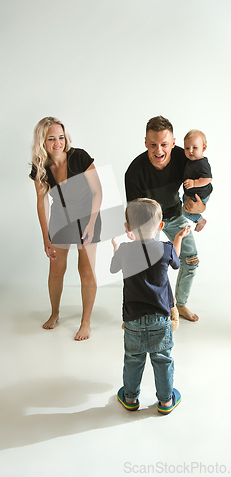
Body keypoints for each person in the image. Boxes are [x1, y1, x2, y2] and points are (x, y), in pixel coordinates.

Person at [110, 198, 190, 414]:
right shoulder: (165, 249)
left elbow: (113, 269)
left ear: (128, 228)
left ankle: (130, 398)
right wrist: (179, 238)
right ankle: (165, 401)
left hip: (133, 320)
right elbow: (176, 262)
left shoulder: (125, 250)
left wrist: (117, 248)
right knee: (162, 360)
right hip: (160, 319)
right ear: (161, 226)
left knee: (133, 360)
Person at [125, 115, 204, 322]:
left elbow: (203, 186)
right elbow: (135, 211)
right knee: (150, 265)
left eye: (164, 144)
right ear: (145, 143)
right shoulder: (134, 172)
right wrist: (134, 230)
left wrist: (199, 210)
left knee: (191, 260)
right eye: (152, 145)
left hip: (176, 214)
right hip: (150, 221)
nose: (158, 150)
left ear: (173, 143)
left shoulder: (183, 158)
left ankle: (180, 304)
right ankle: (155, 306)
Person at [29, 116, 102, 341]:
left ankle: (86, 321)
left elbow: (98, 191)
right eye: (51, 139)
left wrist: (90, 223)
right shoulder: (40, 166)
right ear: (42, 141)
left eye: (61, 137)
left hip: (87, 217)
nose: (58, 143)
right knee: (56, 270)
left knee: (86, 270)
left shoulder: (79, 157)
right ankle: (55, 313)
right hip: (61, 218)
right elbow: (42, 203)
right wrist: (46, 238)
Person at [182, 130, 213, 232]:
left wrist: (194, 183)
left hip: (200, 195)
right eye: (187, 148)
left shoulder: (202, 163)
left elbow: (208, 179)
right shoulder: (190, 160)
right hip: (191, 193)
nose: (190, 151)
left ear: (203, 148)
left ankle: (200, 221)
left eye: (194, 148)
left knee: (186, 212)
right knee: (184, 202)